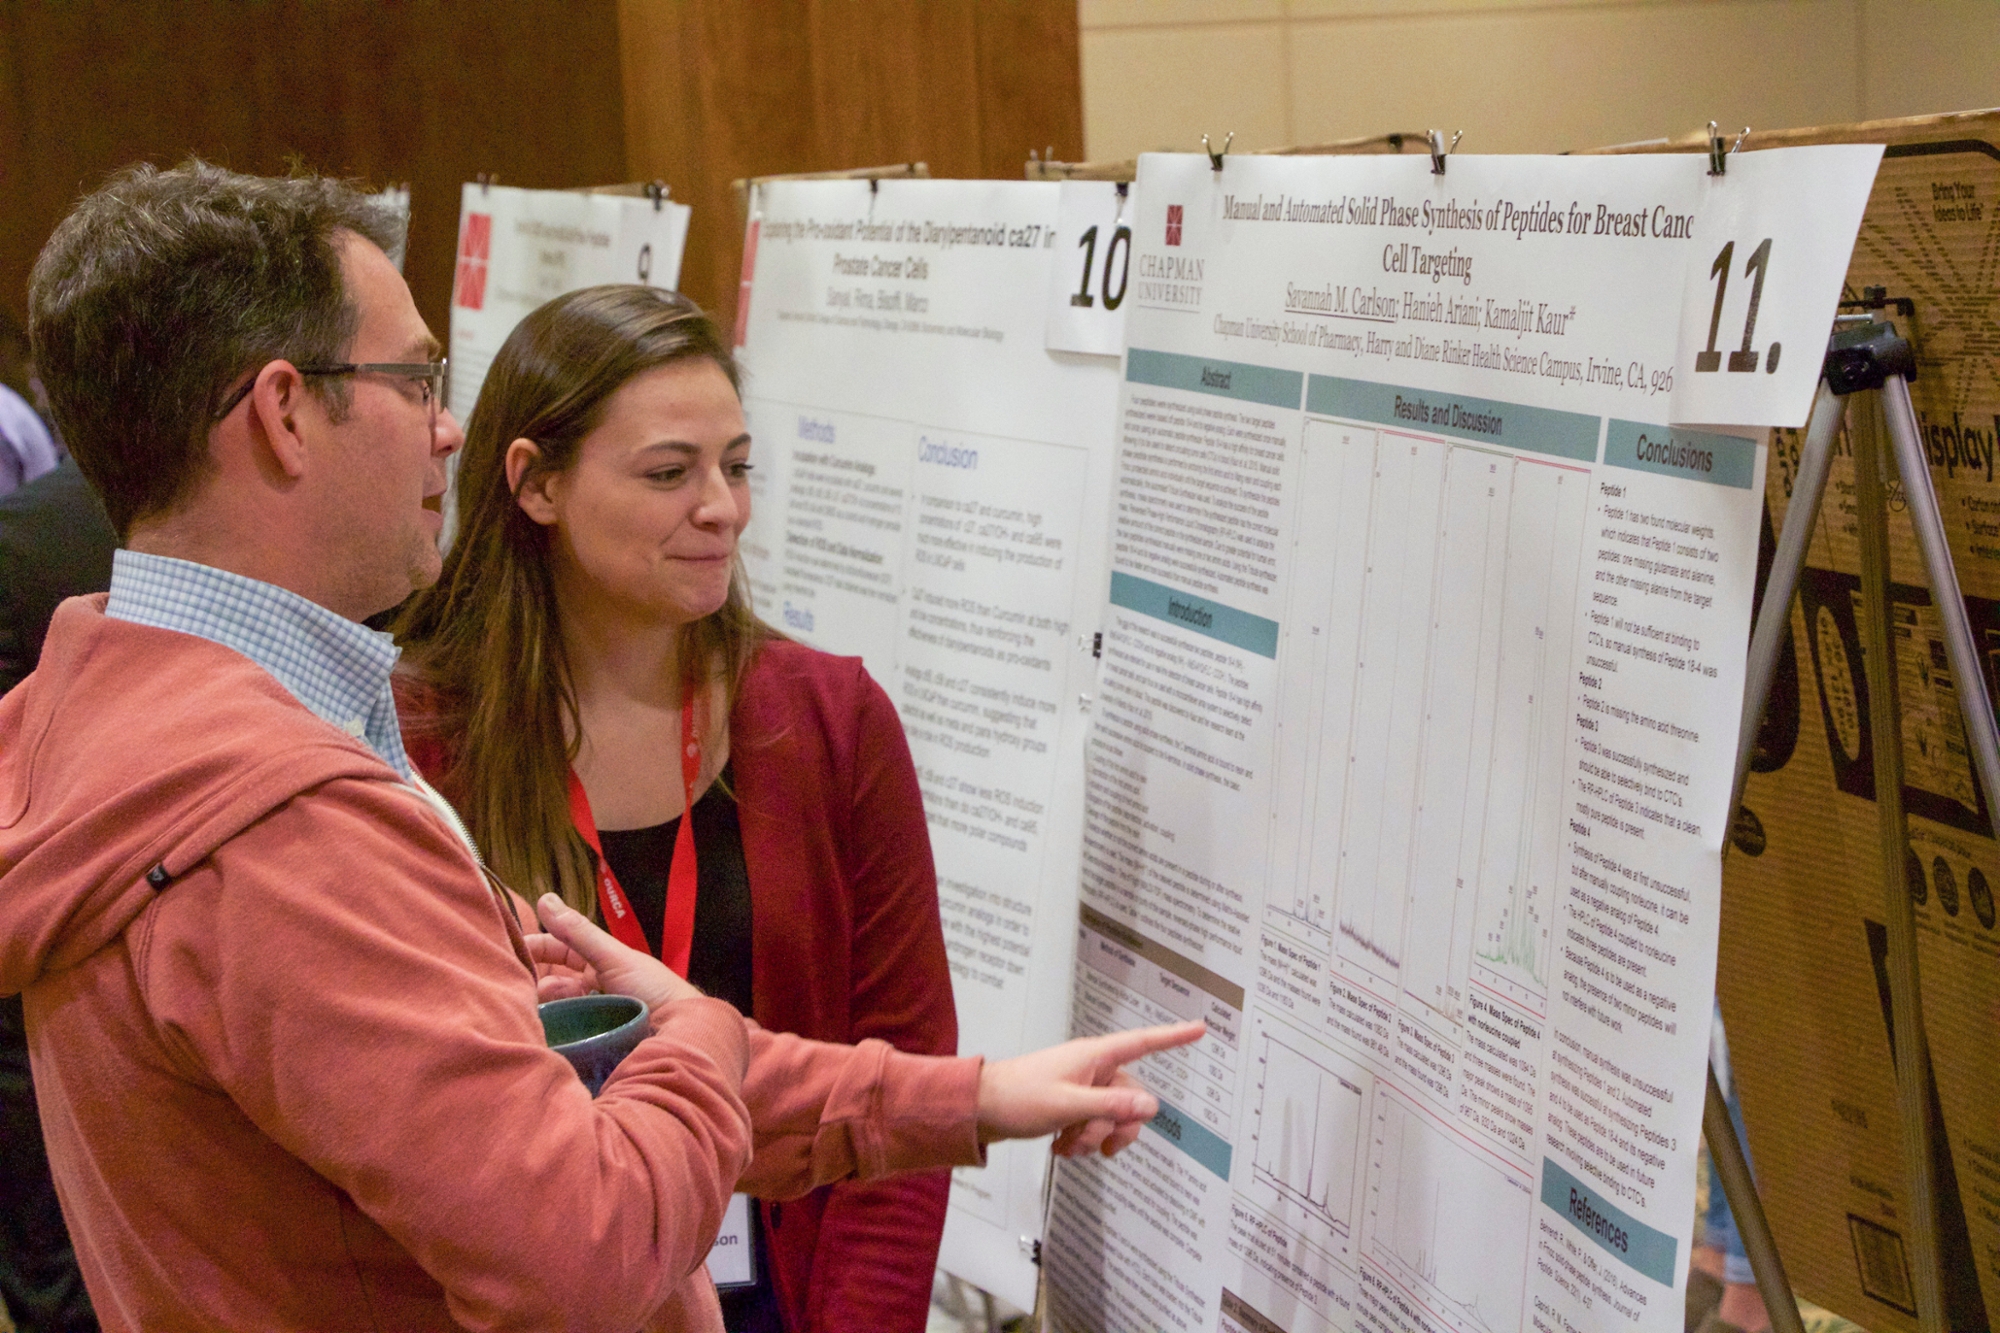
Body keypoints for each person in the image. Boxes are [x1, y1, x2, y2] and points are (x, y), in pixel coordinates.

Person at [0, 159, 1201, 1333]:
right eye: (415, 378)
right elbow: (583, 1247)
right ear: (281, 414)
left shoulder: (110, 707)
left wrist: (971, 1098)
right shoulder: (279, 827)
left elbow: (516, 1112)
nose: (445, 425)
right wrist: (696, 1029)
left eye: (734, 467)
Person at [392, 285, 954, 1332]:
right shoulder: (416, 741)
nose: (722, 507)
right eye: (668, 473)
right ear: (535, 484)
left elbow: (904, 1069)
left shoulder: (831, 719)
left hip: (791, 1289)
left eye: (736, 467)